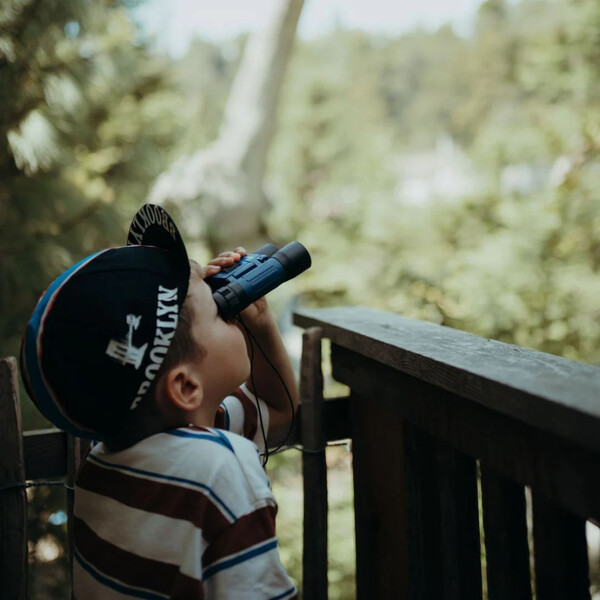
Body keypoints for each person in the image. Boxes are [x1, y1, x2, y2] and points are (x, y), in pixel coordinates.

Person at [20, 204, 299, 599]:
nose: (231, 311)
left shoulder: (104, 462)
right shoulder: (220, 468)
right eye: (218, 310)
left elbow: (278, 414)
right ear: (184, 388)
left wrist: (260, 322)